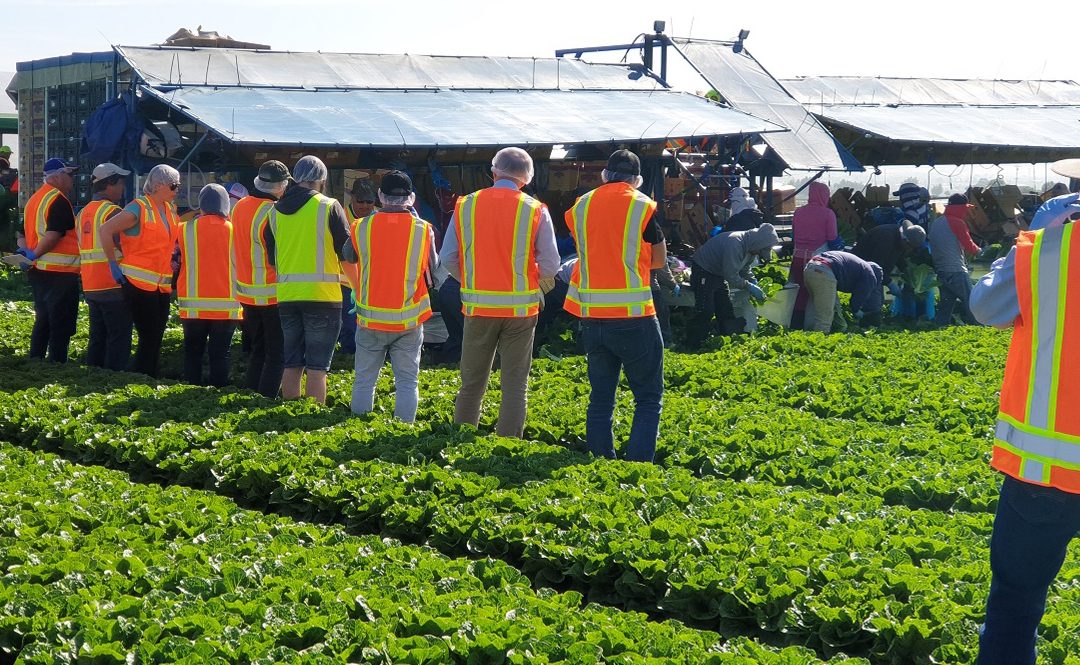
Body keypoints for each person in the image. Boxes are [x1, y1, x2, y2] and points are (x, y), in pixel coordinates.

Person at [968, 175, 1080, 665]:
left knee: (1015, 603)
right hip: (1046, 473)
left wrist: (1031, 240)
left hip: (1046, 473)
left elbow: (984, 306)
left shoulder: (1052, 250)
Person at [439, 147, 559, 438]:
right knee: (515, 385)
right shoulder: (535, 209)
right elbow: (551, 264)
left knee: (471, 383)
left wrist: (469, 281)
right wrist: (534, 285)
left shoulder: (466, 205)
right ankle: (509, 444)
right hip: (521, 312)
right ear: (527, 178)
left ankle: (461, 440)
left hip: (478, 309)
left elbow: (448, 257)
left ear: (493, 172)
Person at [564, 149, 667, 462]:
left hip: (592, 315)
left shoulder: (581, 206)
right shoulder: (641, 205)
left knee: (601, 398)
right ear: (637, 180)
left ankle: (600, 460)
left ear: (605, 175)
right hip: (634, 315)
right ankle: (638, 466)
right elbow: (660, 260)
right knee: (648, 398)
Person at [343, 171, 437, 422]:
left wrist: (357, 287)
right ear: (412, 198)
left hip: (370, 319)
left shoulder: (360, 227)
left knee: (364, 380)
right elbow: (433, 270)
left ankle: (359, 426)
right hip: (408, 320)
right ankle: (403, 432)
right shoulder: (424, 230)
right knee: (407, 381)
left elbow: (348, 257)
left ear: (380, 197)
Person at [264, 156, 353, 404]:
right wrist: (357, 288)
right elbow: (346, 255)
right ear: (321, 180)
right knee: (317, 366)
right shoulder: (329, 206)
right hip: (323, 298)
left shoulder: (274, 213)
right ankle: (312, 420)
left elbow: (273, 261)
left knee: (291, 362)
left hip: (288, 298)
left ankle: (290, 412)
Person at [99, 164, 182, 378]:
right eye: (174, 186)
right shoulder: (139, 207)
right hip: (137, 282)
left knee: (156, 335)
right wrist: (112, 263)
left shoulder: (170, 210)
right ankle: (143, 377)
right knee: (149, 335)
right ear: (158, 185)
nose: (177, 190)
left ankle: (147, 376)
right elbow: (106, 230)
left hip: (160, 284)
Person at [232, 160, 289, 397]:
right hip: (271, 292)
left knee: (258, 350)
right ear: (279, 186)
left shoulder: (240, 206)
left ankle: (251, 394)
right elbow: (278, 255)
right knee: (276, 354)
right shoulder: (273, 213)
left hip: (245, 292)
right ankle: (264, 399)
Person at [176, 184, 241, 387]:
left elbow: (174, 261)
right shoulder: (236, 231)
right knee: (220, 356)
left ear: (201, 205)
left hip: (193, 307)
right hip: (227, 307)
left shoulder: (184, 230)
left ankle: (190, 393)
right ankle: (217, 394)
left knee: (192, 355)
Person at [19, 158, 82, 363]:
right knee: (60, 323)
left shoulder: (34, 200)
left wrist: (26, 253)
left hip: (38, 271)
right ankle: (57, 363)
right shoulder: (58, 199)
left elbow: (20, 233)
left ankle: (36, 359)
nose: (72, 180)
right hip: (60, 273)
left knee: (43, 319)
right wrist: (34, 253)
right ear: (57, 176)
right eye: (69, 175)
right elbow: (53, 235)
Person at [685, 223, 779, 348]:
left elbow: (745, 269)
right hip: (704, 270)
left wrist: (753, 281)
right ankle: (693, 344)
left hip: (718, 273)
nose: (758, 254)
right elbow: (730, 275)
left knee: (725, 308)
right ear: (758, 244)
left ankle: (728, 341)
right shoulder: (736, 243)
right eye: (761, 250)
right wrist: (749, 286)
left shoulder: (751, 249)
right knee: (706, 309)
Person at [78, 162, 133, 370]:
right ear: (109, 184)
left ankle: (94, 375)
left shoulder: (82, 213)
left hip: (91, 285)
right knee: (118, 338)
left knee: (97, 337)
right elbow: (125, 245)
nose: (123, 188)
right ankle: (113, 378)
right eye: (121, 183)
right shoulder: (113, 212)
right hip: (113, 285)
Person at [789, 181, 843, 329]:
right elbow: (832, 239)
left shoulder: (798, 212)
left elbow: (793, 235)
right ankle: (815, 326)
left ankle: (795, 324)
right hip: (818, 260)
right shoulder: (828, 214)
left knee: (800, 294)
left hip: (798, 257)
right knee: (819, 295)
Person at [339, 178, 379, 354]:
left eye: (369, 201)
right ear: (352, 198)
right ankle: (349, 355)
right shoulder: (340, 216)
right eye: (360, 201)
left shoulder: (379, 217)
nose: (364, 205)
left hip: (372, 282)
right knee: (350, 326)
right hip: (346, 283)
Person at [929, 193, 981, 326]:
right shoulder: (957, 223)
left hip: (941, 270)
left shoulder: (937, 222)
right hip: (956, 270)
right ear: (961, 208)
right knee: (970, 300)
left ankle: (940, 324)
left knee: (947, 301)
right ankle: (978, 325)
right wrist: (981, 251)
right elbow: (970, 246)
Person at [802, 250, 884, 332]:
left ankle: (839, 329)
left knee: (828, 309)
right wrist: (856, 310)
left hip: (811, 266)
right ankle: (818, 340)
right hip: (824, 271)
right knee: (825, 315)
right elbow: (859, 297)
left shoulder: (860, 265)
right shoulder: (870, 275)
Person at [852, 220, 927, 298]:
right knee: (873, 303)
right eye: (910, 246)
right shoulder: (886, 238)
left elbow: (899, 258)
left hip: (873, 274)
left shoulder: (900, 238)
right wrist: (890, 283)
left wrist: (906, 270)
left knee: (877, 301)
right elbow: (876, 266)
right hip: (862, 271)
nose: (909, 250)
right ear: (905, 240)